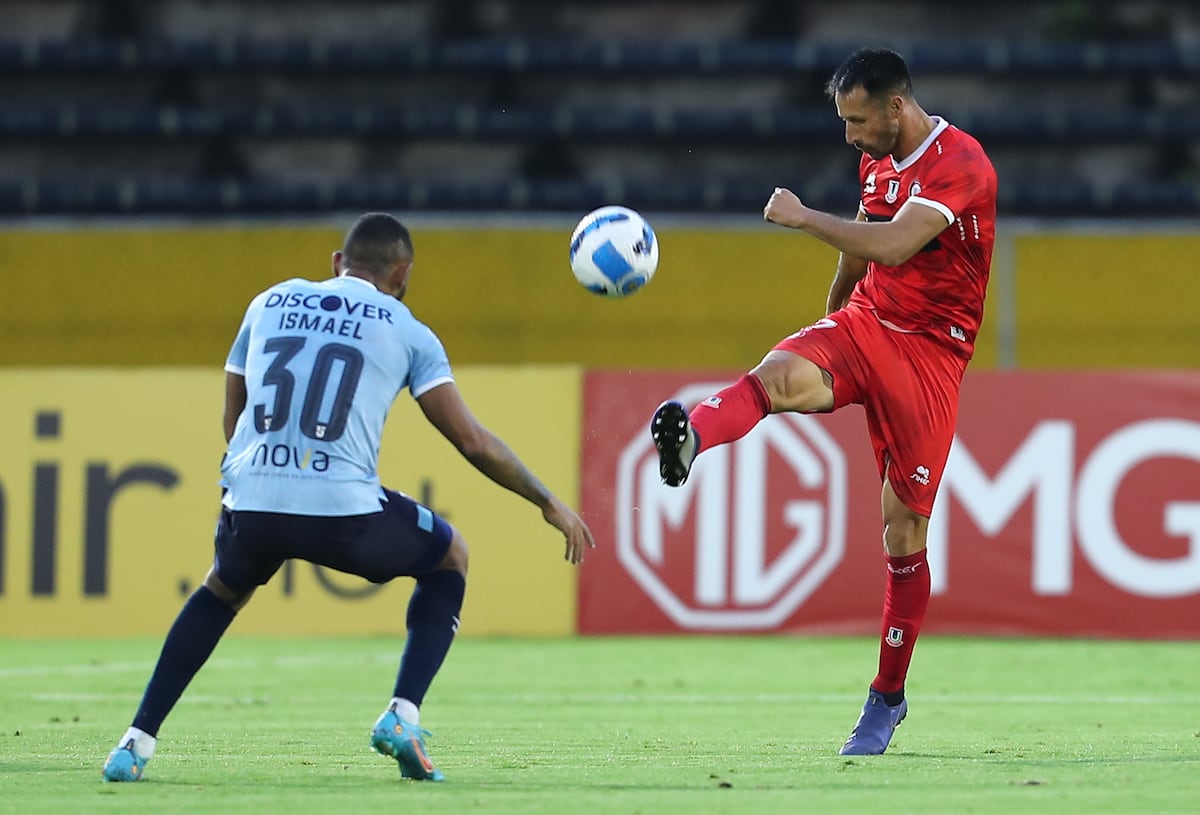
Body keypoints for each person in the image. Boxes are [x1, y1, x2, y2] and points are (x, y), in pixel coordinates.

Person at [102, 212, 595, 783]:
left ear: (338, 263)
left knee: (222, 589)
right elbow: (472, 441)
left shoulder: (269, 302)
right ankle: (402, 716)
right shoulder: (409, 330)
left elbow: (233, 412)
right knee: (448, 555)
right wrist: (546, 501)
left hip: (252, 496)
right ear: (402, 273)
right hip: (343, 513)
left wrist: (256, 476)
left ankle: (134, 744)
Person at [650, 47, 996, 755]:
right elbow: (868, 243)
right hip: (869, 323)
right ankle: (691, 439)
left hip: (932, 353)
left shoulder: (960, 163)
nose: (849, 135)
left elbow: (895, 243)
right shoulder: (877, 156)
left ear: (896, 107)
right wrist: (833, 312)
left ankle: (887, 697)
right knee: (777, 376)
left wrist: (805, 217)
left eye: (857, 120)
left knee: (902, 534)